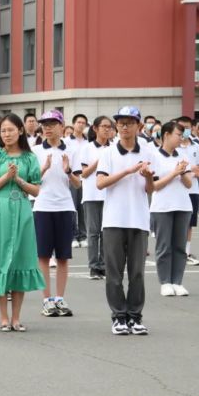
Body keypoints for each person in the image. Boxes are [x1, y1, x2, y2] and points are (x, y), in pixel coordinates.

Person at [0, 113, 45, 332]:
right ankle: (3, 318)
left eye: (10, 130)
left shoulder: (30, 158)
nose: (6, 134)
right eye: (3, 131)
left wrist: (19, 180)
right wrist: (6, 177)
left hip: (23, 209)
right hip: (0, 210)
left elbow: (36, 189)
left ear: (21, 131)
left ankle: (16, 317)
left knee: (19, 261)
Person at [97, 106, 154, 336]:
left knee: (137, 272)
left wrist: (149, 177)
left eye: (130, 122)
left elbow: (151, 189)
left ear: (139, 126)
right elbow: (100, 183)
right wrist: (128, 171)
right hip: (113, 220)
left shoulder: (149, 151)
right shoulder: (108, 153)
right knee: (114, 272)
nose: (124, 126)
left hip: (139, 219)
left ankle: (135, 316)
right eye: (120, 122)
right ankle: (119, 316)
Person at [32, 110, 80, 317]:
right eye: (45, 124)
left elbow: (78, 184)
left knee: (63, 257)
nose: (48, 127)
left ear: (62, 126)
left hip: (65, 206)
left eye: (52, 123)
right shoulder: (34, 151)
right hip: (42, 206)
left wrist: (68, 170)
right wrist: (43, 169)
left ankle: (60, 299)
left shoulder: (72, 150)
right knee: (43, 255)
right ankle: (46, 300)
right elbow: (30, 183)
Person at [150, 122, 193, 297]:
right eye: (178, 134)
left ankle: (177, 281)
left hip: (183, 205)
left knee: (180, 247)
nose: (180, 138)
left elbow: (189, 184)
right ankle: (165, 282)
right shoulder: (153, 156)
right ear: (166, 134)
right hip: (162, 207)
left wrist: (182, 172)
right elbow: (154, 186)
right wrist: (174, 173)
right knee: (164, 246)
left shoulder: (182, 156)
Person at [79, 116, 113, 280]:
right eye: (104, 126)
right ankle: (94, 266)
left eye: (109, 127)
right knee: (93, 233)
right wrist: (99, 161)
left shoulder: (114, 147)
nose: (107, 129)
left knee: (106, 232)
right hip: (92, 195)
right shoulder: (87, 148)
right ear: (95, 129)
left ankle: (104, 265)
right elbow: (83, 173)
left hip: (110, 195)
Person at [175, 116, 199, 266]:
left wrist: (191, 171)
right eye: (181, 127)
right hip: (177, 190)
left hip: (193, 190)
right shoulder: (173, 147)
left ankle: (186, 252)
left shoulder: (196, 146)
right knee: (177, 221)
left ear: (192, 128)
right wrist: (190, 170)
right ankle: (175, 251)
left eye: (187, 127)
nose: (184, 131)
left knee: (189, 223)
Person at [65, 113, 89, 248]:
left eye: (83, 123)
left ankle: (83, 235)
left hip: (86, 177)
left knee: (82, 207)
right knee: (72, 207)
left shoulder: (88, 142)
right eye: (78, 122)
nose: (81, 125)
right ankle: (73, 236)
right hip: (72, 176)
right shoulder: (67, 141)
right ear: (73, 124)